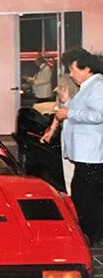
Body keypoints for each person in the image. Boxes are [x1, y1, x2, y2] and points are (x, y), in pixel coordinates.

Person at [55, 53, 103, 244]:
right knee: (82, 193)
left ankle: (91, 234)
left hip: (92, 153)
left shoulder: (98, 87)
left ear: (87, 69)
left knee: (87, 196)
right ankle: (89, 232)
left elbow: (98, 115)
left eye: (73, 69)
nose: (71, 74)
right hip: (85, 153)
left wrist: (69, 112)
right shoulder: (87, 87)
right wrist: (67, 101)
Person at [41, 47, 89, 194]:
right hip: (70, 130)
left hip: (87, 133)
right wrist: (52, 129)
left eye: (72, 67)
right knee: (70, 173)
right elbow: (60, 108)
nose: (71, 72)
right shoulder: (66, 80)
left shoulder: (94, 84)